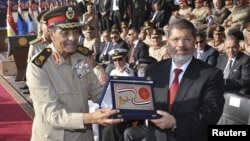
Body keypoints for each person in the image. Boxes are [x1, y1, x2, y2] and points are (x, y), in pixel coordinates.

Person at [26, 6, 123, 141]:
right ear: (51, 33)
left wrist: (127, 101)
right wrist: (91, 118)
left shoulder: (81, 59)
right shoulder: (39, 67)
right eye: (64, 33)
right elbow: (53, 115)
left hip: (84, 136)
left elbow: (95, 90)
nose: (73, 38)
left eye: (76, 32)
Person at [142, 19, 225, 141]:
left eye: (187, 39)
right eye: (175, 39)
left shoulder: (211, 75)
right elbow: (145, 102)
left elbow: (211, 112)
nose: (180, 44)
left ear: (194, 41)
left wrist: (176, 122)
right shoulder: (153, 70)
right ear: (168, 42)